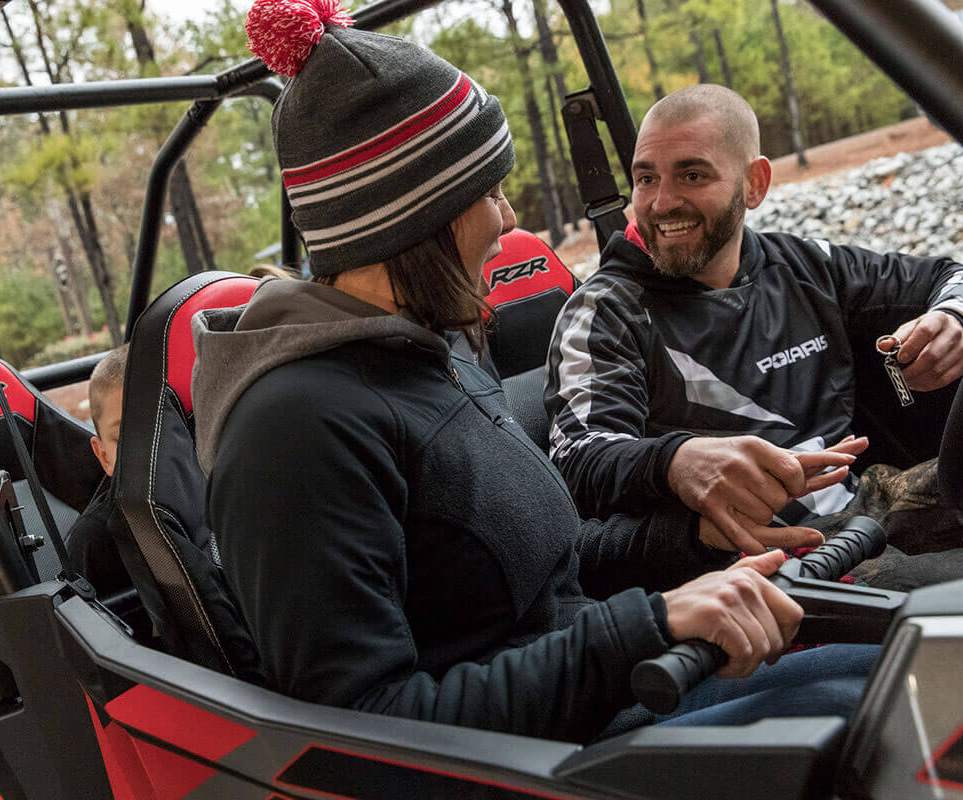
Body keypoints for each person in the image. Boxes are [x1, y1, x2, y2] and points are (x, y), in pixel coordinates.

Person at [190, 1, 875, 744]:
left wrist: (693, 543)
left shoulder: (430, 352)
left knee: (894, 668)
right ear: (414, 217)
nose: (510, 216)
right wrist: (646, 626)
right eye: (488, 191)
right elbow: (363, 729)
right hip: (539, 759)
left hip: (604, 697)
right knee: (870, 717)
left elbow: (539, 562)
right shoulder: (296, 427)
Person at [545, 84, 963, 581]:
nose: (660, 203)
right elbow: (578, 457)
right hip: (757, 558)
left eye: (691, 175)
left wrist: (959, 320)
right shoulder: (606, 309)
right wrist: (674, 460)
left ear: (754, 184)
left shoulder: (805, 265)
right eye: (646, 178)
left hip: (868, 499)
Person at [66, 344, 134, 597]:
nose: (144, 448)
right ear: (104, 455)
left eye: (156, 427)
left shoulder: (221, 494)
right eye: (122, 437)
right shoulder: (95, 541)